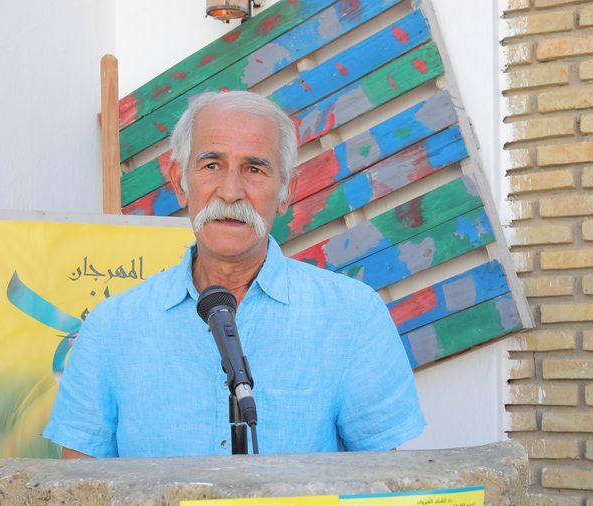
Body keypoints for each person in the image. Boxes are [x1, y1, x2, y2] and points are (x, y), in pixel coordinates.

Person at [43, 91, 425, 458]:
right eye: (211, 165)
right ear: (179, 182)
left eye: (254, 169)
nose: (230, 192)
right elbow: (80, 490)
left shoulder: (352, 315)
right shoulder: (111, 328)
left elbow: (379, 482)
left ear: (286, 191)